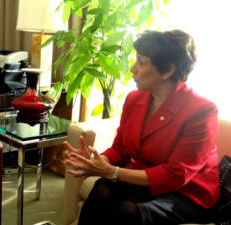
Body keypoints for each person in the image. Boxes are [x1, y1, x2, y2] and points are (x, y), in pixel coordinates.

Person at [64, 30, 220, 225]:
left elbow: (176, 175)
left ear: (168, 71)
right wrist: (96, 162)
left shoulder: (201, 111)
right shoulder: (134, 99)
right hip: (143, 178)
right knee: (102, 189)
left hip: (186, 192)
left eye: (141, 62)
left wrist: (113, 172)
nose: (132, 68)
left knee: (128, 211)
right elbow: (120, 148)